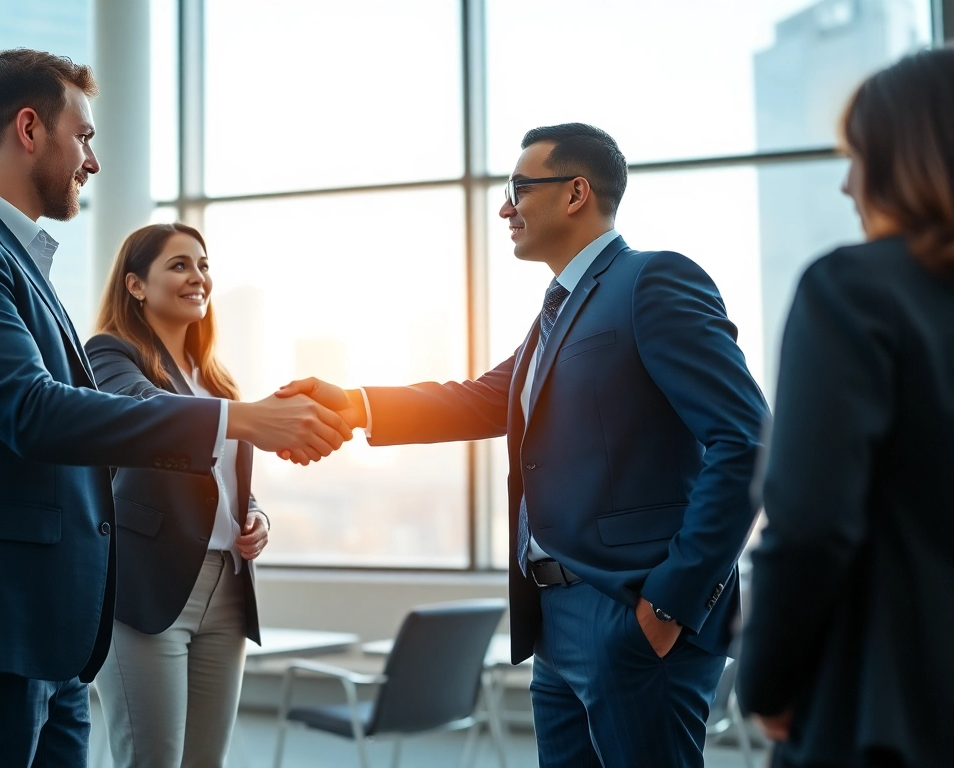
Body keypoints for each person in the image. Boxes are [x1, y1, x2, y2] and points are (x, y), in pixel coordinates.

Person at [0, 49, 349, 768]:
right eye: (85, 136)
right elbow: (34, 414)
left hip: (48, 631)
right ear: (30, 129)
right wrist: (236, 419)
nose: (91, 160)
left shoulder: (17, 261)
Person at [279, 123, 769, 767]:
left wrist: (670, 604)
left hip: (629, 610)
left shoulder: (652, 283)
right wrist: (355, 403)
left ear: (575, 193)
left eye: (518, 188)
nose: (505, 208)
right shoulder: (557, 312)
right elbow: (484, 397)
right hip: (554, 616)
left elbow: (748, 439)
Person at [738, 49, 954, 768]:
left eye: (858, 156)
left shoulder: (853, 293)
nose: (846, 183)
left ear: (906, 160)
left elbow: (809, 522)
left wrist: (766, 681)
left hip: (886, 711)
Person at [84, 223, 268, 767]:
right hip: (150, 587)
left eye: (203, 265)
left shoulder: (217, 381)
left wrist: (254, 514)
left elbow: (228, 485)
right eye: (180, 265)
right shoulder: (111, 354)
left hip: (228, 588)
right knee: (152, 759)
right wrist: (253, 418)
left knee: (205, 762)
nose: (198, 277)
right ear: (136, 285)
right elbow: (141, 412)